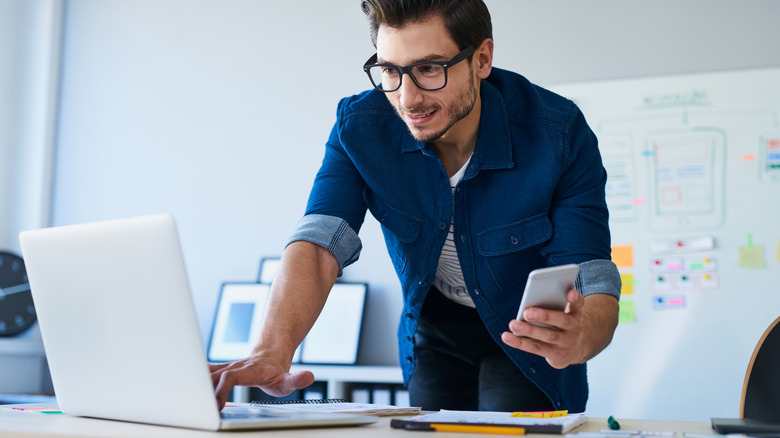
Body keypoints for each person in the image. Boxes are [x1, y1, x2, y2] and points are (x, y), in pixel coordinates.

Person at [210, 0, 621, 413]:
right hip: (434, 329)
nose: (407, 98)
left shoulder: (558, 132)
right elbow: (319, 243)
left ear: (481, 59)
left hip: (526, 333)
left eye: (429, 69)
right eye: (390, 70)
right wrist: (271, 351)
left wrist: (583, 332)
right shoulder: (360, 126)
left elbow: (591, 272)